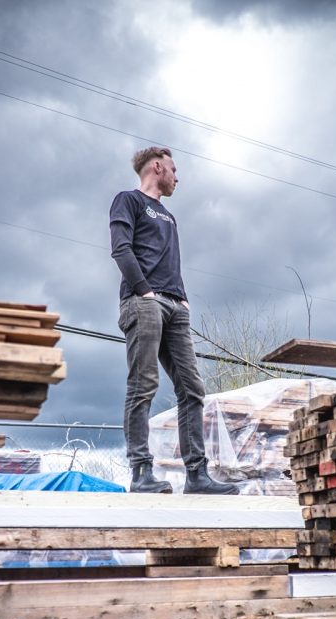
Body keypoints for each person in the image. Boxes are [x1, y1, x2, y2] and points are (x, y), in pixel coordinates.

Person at [109, 146, 239, 495]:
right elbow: (121, 249)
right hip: (143, 302)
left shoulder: (169, 215)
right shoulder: (128, 201)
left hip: (176, 307)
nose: (177, 176)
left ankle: (197, 475)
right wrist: (145, 292)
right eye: (173, 169)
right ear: (156, 167)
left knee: (193, 389)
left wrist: (181, 298)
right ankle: (141, 473)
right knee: (144, 384)